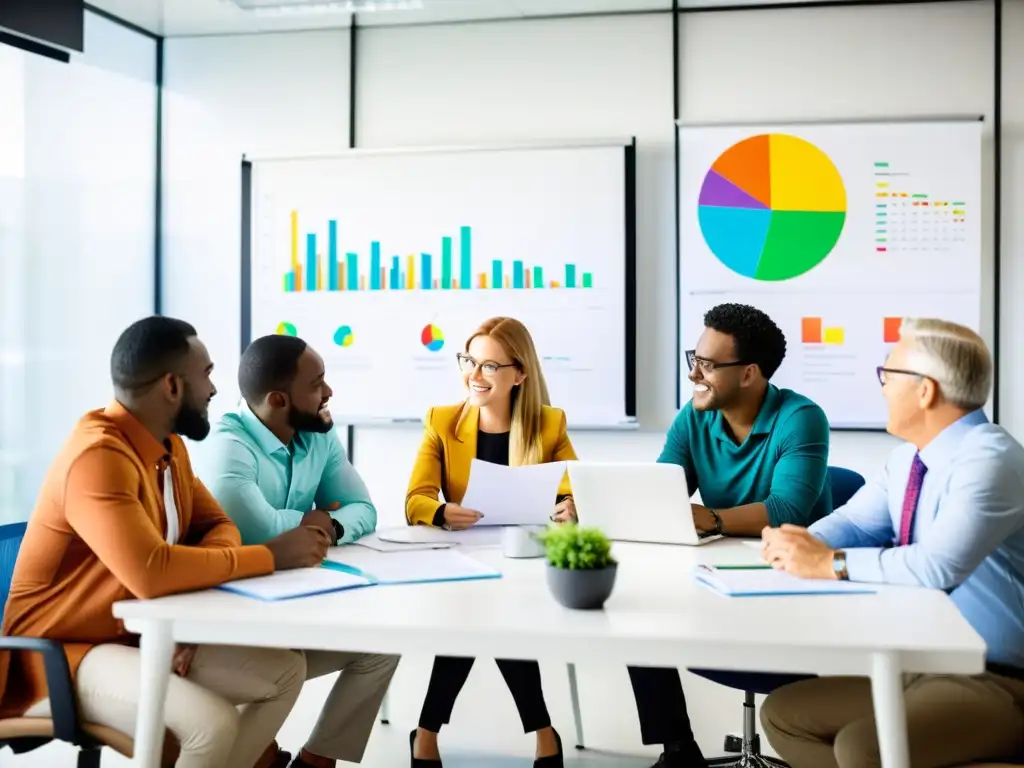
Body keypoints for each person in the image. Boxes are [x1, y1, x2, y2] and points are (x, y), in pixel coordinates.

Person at [0, 316, 333, 768]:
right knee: (208, 723)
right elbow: (151, 572)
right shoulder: (97, 457)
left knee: (284, 672)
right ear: (172, 387)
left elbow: (216, 524)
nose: (215, 389)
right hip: (65, 655)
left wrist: (186, 606)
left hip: (134, 633)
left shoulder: (167, 448)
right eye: (207, 374)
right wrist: (270, 556)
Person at [760, 317, 1024, 768]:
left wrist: (829, 564)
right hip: (916, 667)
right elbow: (855, 525)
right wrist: (795, 542)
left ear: (926, 391)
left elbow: (937, 568)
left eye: (888, 375)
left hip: (996, 679)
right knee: (784, 715)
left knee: (862, 747)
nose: (881, 387)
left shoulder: (990, 459)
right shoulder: (908, 461)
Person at [629, 302, 832, 767]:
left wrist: (712, 518)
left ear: (749, 374)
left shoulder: (800, 417)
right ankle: (678, 749)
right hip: (716, 577)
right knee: (636, 611)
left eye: (708, 365)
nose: (694, 374)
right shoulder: (695, 414)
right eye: (693, 359)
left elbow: (787, 510)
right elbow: (664, 490)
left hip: (790, 584)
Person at [203, 333, 400, 768]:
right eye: (317, 384)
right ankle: (261, 756)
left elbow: (363, 509)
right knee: (285, 666)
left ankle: (316, 761)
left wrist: (324, 523)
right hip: (238, 628)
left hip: (296, 605)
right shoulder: (228, 446)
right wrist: (306, 521)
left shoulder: (318, 435)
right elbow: (252, 530)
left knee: (384, 643)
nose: (329, 392)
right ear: (278, 399)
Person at [405, 317, 576, 768]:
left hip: (525, 560)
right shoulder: (443, 421)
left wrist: (571, 506)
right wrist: (442, 511)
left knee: (491, 617)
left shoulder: (548, 425)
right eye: (469, 361)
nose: (474, 376)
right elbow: (416, 500)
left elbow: (576, 487)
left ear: (519, 374)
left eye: (489, 366)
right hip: (464, 558)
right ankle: (543, 732)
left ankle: (424, 733)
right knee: (486, 617)